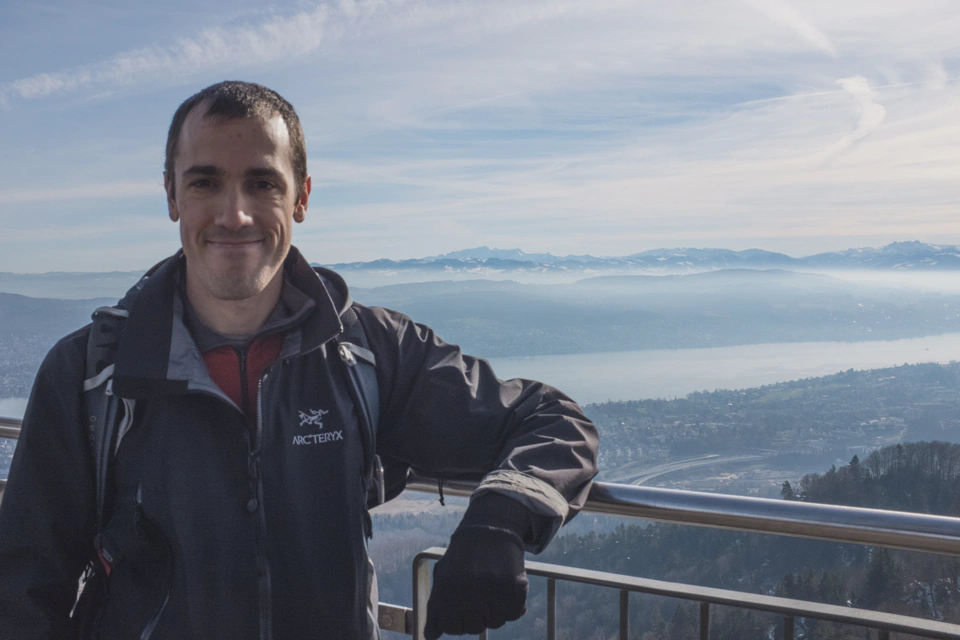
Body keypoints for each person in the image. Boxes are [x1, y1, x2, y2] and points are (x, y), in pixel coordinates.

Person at [0, 81, 599, 640]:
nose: (234, 215)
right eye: (205, 182)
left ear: (302, 196)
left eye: (263, 183)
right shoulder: (91, 375)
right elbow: (25, 586)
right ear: (172, 196)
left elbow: (552, 419)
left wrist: (499, 520)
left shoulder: (368, 352)